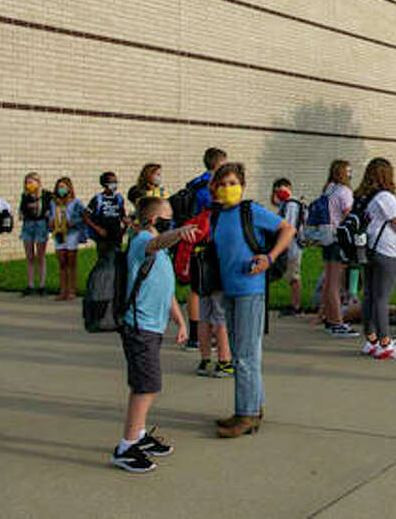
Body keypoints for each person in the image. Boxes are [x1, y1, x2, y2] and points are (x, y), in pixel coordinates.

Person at [110, 196, 195, 473]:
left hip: (154, 326)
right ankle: (126, 446)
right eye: (167, 216)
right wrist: (178, 234)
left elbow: (166, 291)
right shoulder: (141, 242)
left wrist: (180, 322)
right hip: (139, 326)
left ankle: (140, 434)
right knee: (146, 386)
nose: (172, 219)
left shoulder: (161, 253)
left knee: (146, 383)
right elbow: (155, 242)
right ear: (153, 220)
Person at [210, 163, 294, 437]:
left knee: (244, 355)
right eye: (222, 184)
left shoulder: (250, 211)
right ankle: (250, 408)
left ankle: (246, 415)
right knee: (243, 353)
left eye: (232, 183)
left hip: (250, 288)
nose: (227, 188)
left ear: (242, 186)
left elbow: (287, 229)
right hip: (229, 290)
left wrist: (270, 258)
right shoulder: (217, 216)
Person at [356, 158, 396, 361]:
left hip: (369, 249)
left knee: (370, 294)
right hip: (388, 251)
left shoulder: (364, 196)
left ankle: (371, 339)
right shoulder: (386, 196)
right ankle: (385, 342)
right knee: (382, 297)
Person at [185, 148, 228, 351]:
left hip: (193, 239)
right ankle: (209, 336)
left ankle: (196, 335)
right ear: (218, 164)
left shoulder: (195, 183)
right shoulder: (212, 186)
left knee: (197, 288)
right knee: (211, 293)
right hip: (209, 239)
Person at [317, 160, 357, 337]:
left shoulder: (328, 188)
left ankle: (327, 316)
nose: (350, 174)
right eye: (348, 171)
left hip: (326, 237)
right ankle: (336, 322)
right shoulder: (344, 191)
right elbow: (349, 214)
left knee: (328, 282)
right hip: (339, 238)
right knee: (335, 283)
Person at [271, 178, 305, 318]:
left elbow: (289, 225)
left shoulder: (291, 204)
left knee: (293, 275)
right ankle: (294, 304)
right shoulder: (285, 204)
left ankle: (296, 305)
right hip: (289, 244)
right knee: (290, 275)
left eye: (283, 188)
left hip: (292, 244)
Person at [85, 172, 128, 282]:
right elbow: (86, 216)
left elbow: (122, 216)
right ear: (104, 184)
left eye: (115, 182)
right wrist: (97, 228)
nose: (114, 185)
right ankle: (101, 283)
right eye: (111, 182)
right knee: (103, 259)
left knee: (116, 259)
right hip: (103, 235)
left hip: (116, 234)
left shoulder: (119, 199)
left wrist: (125, 227)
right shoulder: (98, 199)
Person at [49, 177, 85, 301]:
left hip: (71, 234)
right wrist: (51, 222)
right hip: (59, 234)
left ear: (69, 188)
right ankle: (62, 290)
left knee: (71, 262)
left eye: (64, 187)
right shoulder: (54, 202)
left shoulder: (76, 202)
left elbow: (84, 216)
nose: (61, 189)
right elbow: (50, 215)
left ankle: (72, 290)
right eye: (59, 187)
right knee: (62, 262)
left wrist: (73, 223)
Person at [18, 173, 52, 296]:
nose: (29, 185)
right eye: (27, 183)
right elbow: (21, 212)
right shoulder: (25, 196)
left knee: (41, 256)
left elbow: (49, 210)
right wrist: (23, 213)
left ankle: (42, 284)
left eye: (31, 182)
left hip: (41, 224)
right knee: (30, 256)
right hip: (28, 225)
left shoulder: (46, 195)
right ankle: (30, 284)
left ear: (38, 183)